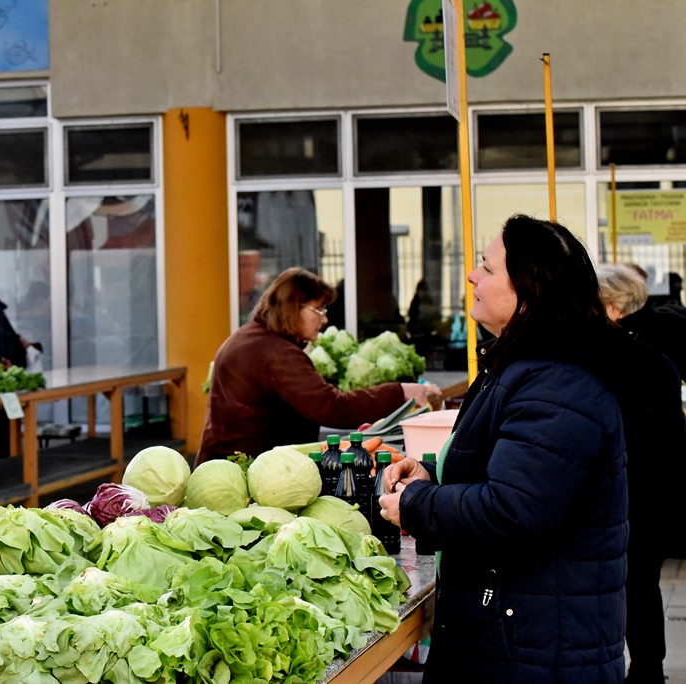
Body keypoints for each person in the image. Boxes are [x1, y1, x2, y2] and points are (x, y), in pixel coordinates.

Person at [378, 215, 629, 683]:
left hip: (534, 650)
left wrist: (416, 504)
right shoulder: (523, 365)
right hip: (511, 634)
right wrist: (430, 476)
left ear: (529, 295)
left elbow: (513, 509)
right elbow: (507, 473)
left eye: (488, 269)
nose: (473, 275)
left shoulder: (558, 382)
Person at [196, 267, 439, 465]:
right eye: (319, 309)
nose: (324, 319)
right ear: (294, 308)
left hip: (227, 465)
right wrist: (400, 392)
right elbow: (333, 407)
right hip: (243, 472)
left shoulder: (253, 338)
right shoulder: (276, 353)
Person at [597, 263, 686, 684]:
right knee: (642, 584)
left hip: (637, 490)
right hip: (655, 488)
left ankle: (645, 669)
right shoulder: (653, 347)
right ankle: (648, 669)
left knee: (633, 584)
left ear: (613, 308)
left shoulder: (625, 354)